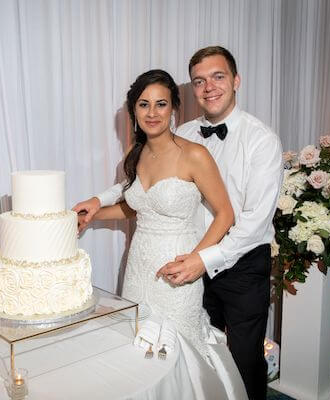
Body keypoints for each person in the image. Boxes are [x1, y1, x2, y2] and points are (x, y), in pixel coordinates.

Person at [74, 46, 283, 400]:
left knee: (244, 357)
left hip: (239, 261)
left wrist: (201, 259)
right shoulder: (179, 131)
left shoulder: (261, 141)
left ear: (236, 80)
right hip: (179, 259)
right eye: (199, 81)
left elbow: (249, 222)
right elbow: (138, 191)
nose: (209, 87)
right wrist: (98, 203)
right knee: (194, 351)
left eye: (218, 77)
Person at [86, 69, 234, 355]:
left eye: (161, 103)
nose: (152, 113)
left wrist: (197, 260)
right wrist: (93, 214)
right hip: (138, 265)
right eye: (144, 104)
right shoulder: (133, 154)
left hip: (178, 268)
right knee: (137, 340)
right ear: (134, 111)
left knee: (177, 348)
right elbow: (136, 207)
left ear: (174, 108)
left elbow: (226, 214)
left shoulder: (195, 154)